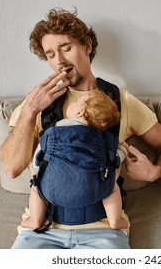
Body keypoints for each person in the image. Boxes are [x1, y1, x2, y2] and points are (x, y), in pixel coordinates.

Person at [0, 7, 161, 249]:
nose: (60, 61)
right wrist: (29, 112)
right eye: (51, 54)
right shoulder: (36, 103)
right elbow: (12, 169)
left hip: (103, 229)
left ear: (86, 46)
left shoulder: (120, 100)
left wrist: (155, 171)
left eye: (66, 48)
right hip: (42, 228)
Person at [22, 90, 128, 231]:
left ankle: (34, 220)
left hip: (53, 191)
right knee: (113, 188)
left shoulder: (52, 132)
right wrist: (124, 150)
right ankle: (115, 220)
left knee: (35, 188)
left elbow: (39, 158)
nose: (73, 102)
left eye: (77, 101)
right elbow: (114, 160)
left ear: (80, 112)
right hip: (92, 191)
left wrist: (34, 172)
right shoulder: (101, 139)